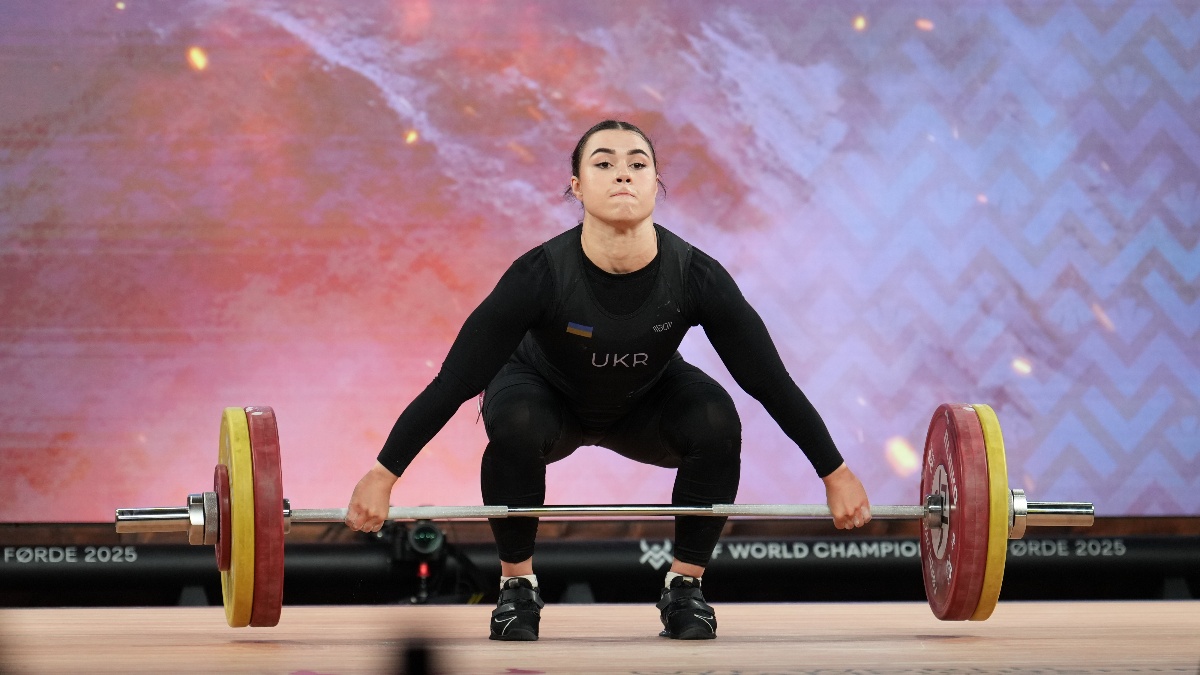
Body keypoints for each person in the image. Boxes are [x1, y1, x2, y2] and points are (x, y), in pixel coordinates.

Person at [345, 119, 871, 641]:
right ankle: (517, 587)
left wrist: (836, 473)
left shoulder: (696, 276)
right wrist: (383, 474)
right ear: (576, 185)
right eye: (604, 163)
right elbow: (454, 382)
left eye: (637, 164)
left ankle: (685, 589)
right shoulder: (538, 274)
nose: (623, 174)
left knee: (715, 417)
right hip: (541, 393)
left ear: (656, 184)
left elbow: (770, 382)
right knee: (519, 423)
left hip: (644, 402)